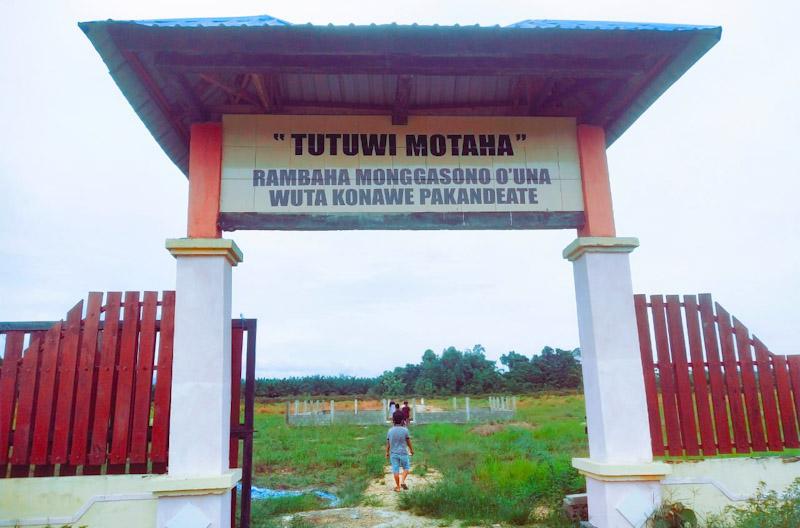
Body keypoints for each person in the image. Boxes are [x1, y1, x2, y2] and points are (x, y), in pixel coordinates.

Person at [386, 410, 413, 491]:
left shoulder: (390, 431)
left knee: (395, 470)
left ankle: (397, 487)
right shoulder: (405, 430)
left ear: (393, 420)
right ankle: (402, 481)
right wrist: (411, 450)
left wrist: (387, 452)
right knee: (406, 468)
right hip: (403, 453)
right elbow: (408, 441)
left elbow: (388, 443)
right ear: (402, 420)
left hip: (393, 454)